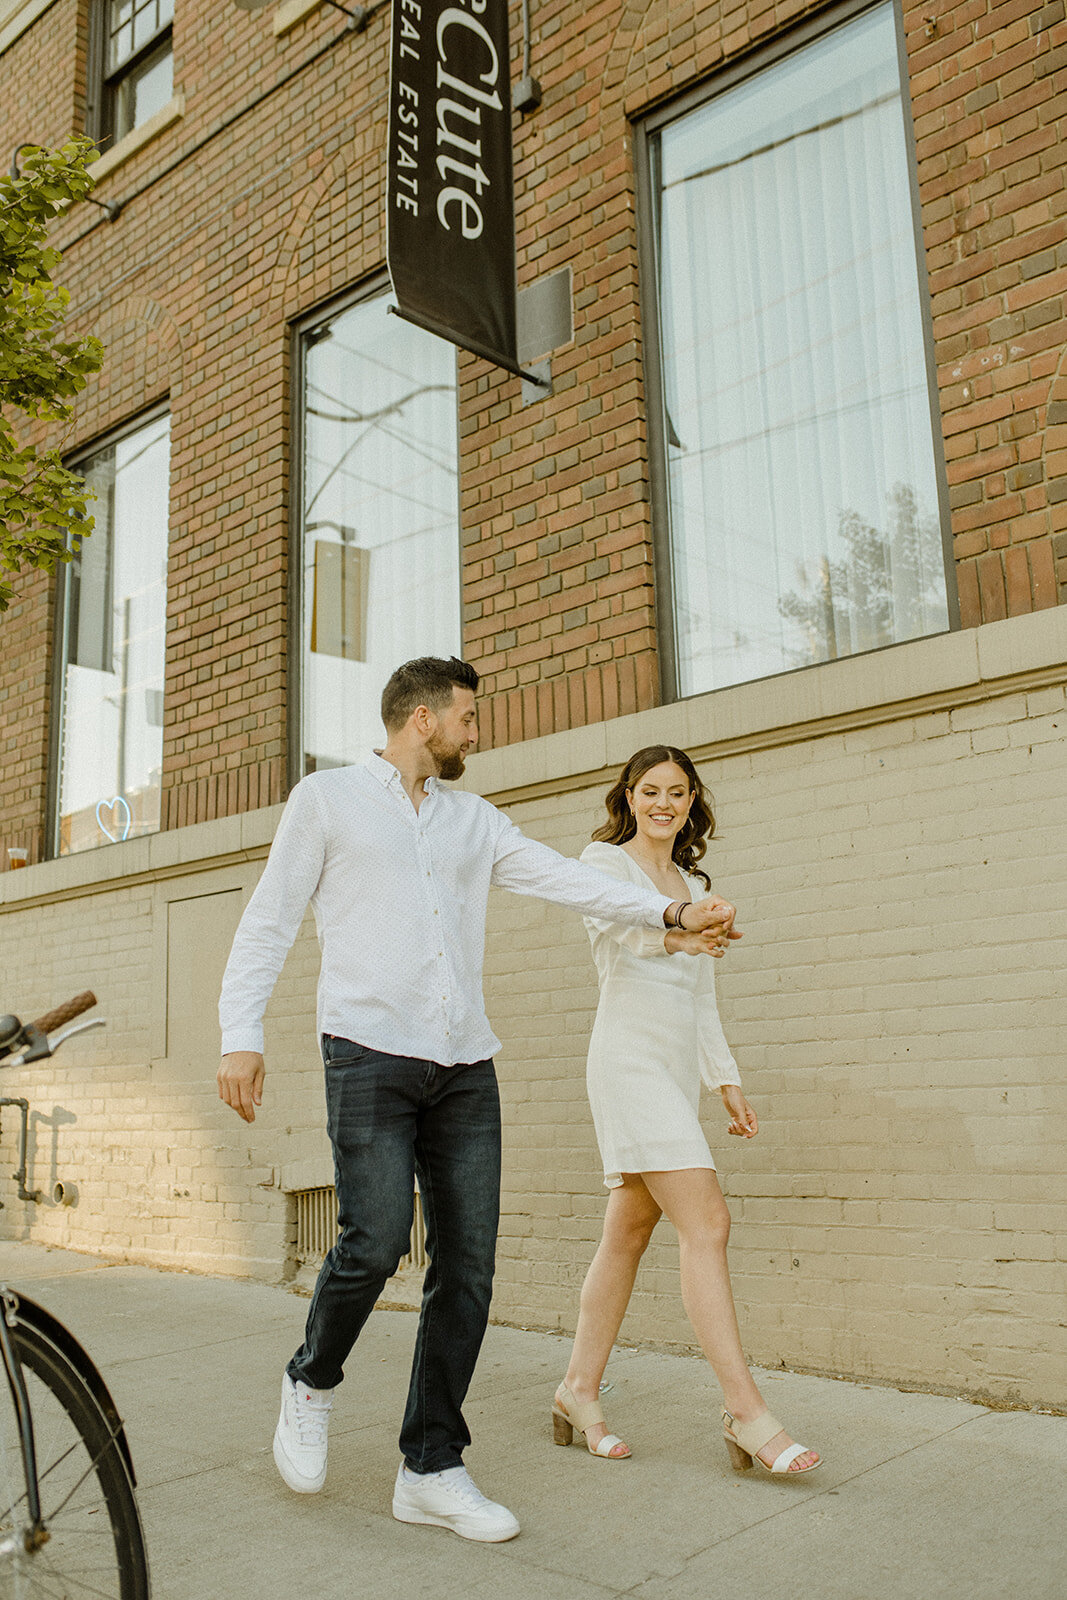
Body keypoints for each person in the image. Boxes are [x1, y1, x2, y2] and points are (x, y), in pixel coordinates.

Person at [217, 659, 737, 1543]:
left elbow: (556, 877)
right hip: (367, 1052)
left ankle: (431, 1465)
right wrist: (242, 1032)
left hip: (462, 1065)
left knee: (468, 1269)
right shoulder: (328, 800)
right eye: (467, 717)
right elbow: (270, 918)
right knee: (375, 1241)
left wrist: (668, 916)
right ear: (422, 719)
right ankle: (311, 1379)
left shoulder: (471, 818)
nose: (475, 731)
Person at [551, 745, 821, 1477]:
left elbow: (701, 994)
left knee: (629, 1232)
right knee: (707, 1222)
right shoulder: (601, 865)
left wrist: (723, 1081)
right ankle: (746, 1412)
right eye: (648, 791)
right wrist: (679, 931)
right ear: (628, 797)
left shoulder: (695, 880)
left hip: (672, 1069)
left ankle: (577, 1388)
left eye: (676, 791)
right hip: (627, 1061)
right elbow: (622, 932)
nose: (662, 803)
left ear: (691, 798)